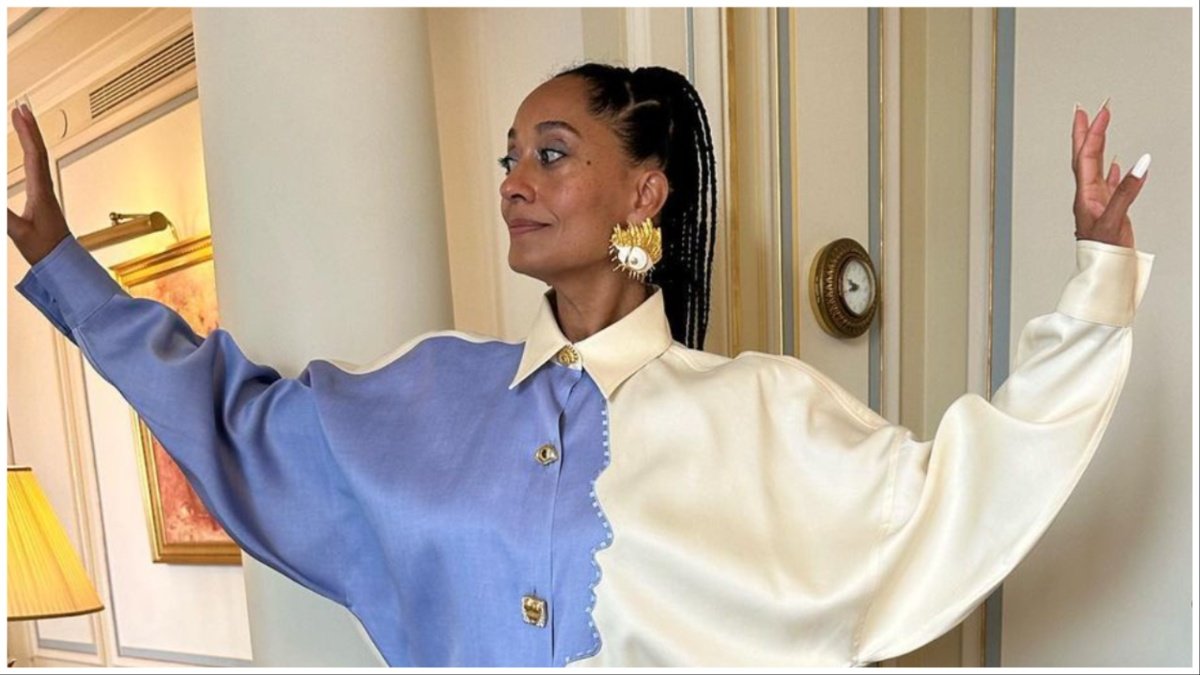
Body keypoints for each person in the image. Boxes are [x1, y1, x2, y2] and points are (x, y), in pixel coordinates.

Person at [7, 63, 1154, 667]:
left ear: (643, 191)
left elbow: (962, 489)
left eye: (552, 155)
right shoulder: (425, 392)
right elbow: (235, 423)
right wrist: (64, 265)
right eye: (511, 157)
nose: (515, 179)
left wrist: (1097, 281)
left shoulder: (765, 416)